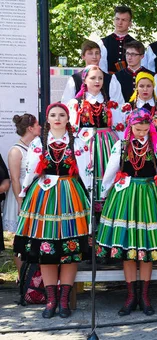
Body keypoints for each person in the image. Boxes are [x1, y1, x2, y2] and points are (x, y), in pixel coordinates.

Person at [14, 103, 92, 319]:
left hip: (71, 196)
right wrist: (24, 194)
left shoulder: (78, 143)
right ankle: (50, 300)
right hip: (44, 198)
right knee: (46, 252)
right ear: (47, 119)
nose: (57, 118)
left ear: (68, 119)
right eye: (53, 115)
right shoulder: (39, 143)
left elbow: (86, 173)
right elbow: (30, 171)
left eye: (62, 115)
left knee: (70, 251)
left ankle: (64, 300)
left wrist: (92, 198)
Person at [96, 108, 157, 316]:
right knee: (129, 250)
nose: (141, 132)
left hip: (150, 196)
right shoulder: (121, 146)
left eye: (145, 129)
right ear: (130, 127)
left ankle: (145, 295)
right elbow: (111, 171)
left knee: (147, 250)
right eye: (138, 129)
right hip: (126, 198)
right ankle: (131, 295)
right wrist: (104, 193)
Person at [67, 65, 124, 215]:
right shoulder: (76, 103)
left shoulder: (110, 103)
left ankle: (106, 214)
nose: (97, 81)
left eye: (100, 78)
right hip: (84, 145)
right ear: (84, 80)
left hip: (107, 143)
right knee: (86, 177)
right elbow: (72, 129)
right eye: (93, 78)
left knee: (108, 173)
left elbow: (119, 127)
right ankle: (87, 216)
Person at [4, 114, 41, 272]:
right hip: (20, 195)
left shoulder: (36, 147)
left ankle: (34, 275)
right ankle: (21, 274)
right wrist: (20, 203)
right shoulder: (16, 151)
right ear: (30, 128)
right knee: (20, 237)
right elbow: (15, 179)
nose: (40, 127)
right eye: (38, 125)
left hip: (35, 194)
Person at [121, 72, 157, 155]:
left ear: (153, 87)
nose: (145, 89)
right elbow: (124, 132)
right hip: (134, 148)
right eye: (141, 86)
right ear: (136, 87)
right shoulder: (128, 108)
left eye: (148, 86)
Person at [60, 40, 124, 104]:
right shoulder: (75, 79)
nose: (94, 57)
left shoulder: (110, 79)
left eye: (97, 53)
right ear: (83, 56)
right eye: (90, 53)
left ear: (100, 56)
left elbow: (118, 104)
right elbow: (66, 103)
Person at [99, 5, 137, 74]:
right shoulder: (103, 43)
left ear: (130, 23)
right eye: (117, 19)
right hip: (108, 81)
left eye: (123, 20)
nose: (120, 23)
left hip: (129, 82)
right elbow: (101, 67)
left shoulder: (136, 45)